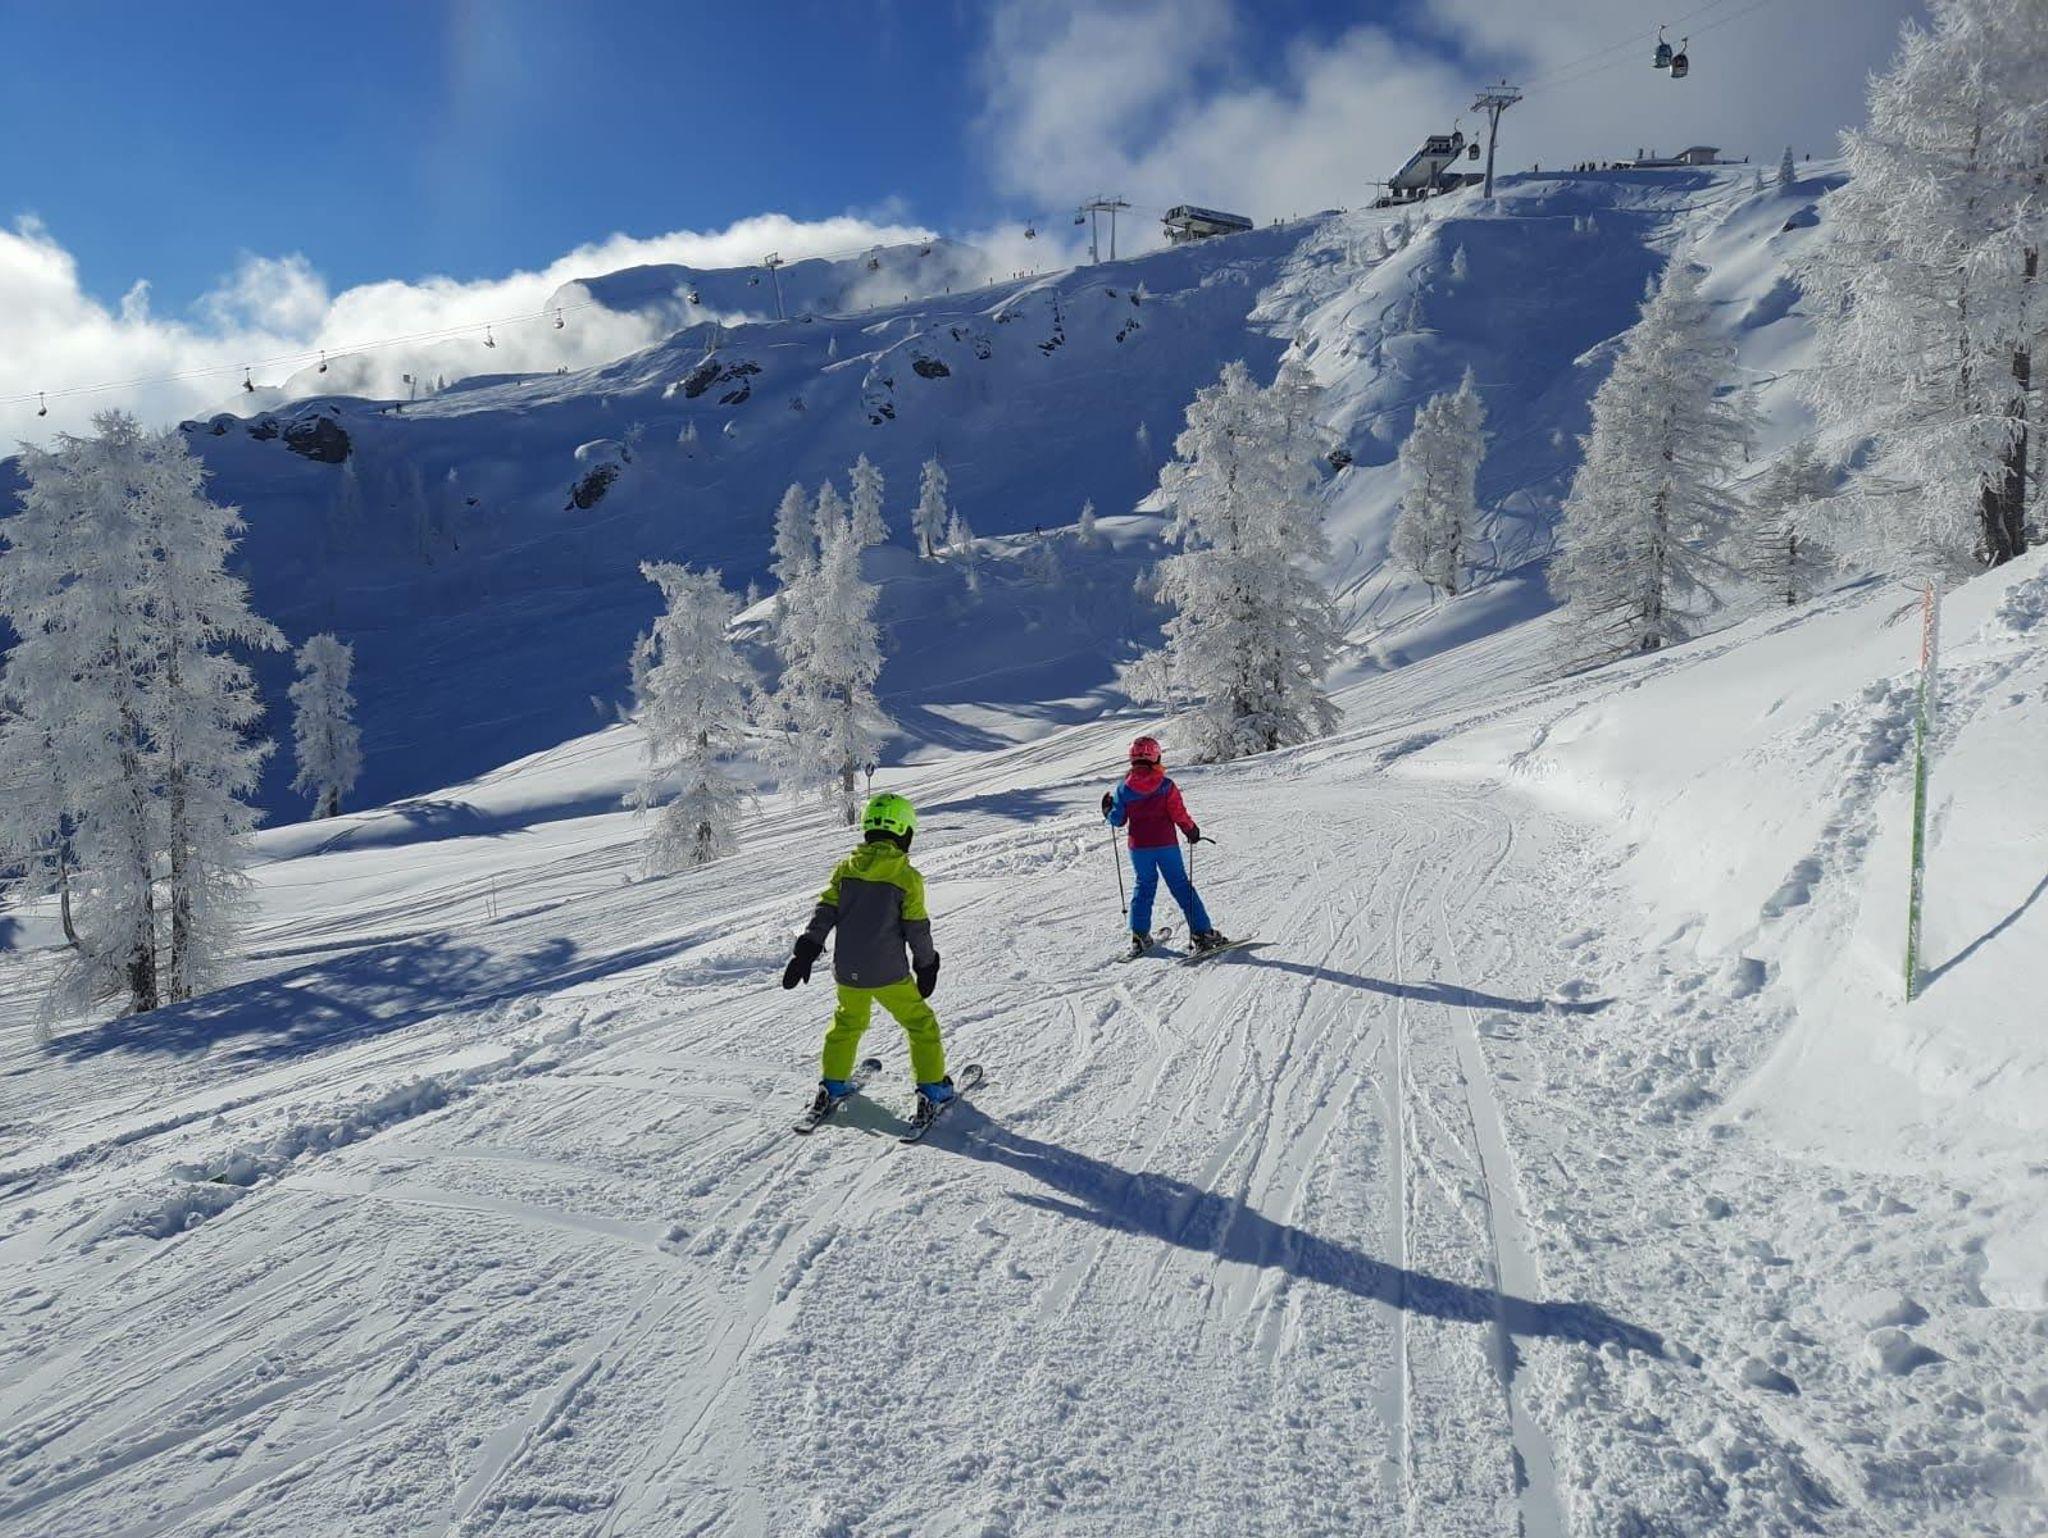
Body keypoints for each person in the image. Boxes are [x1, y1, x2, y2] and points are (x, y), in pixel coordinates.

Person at [782, 792, 952, 1124]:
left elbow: (824, 912)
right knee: (921, 1024)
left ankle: (832, 1084)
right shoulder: (906, 877)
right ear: (904, 833)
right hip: (889, 974)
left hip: (848, 971)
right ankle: (932, 1090)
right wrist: (926, 964)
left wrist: (806, 951)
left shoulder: (846, 870)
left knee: (847, 1023)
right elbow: (916, 929)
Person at [1101, 737, 1230, 959]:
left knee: (1144, 886)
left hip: (1139, 848)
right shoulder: (1165, 785)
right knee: (1181, 886)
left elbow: (1118, 820)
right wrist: (1191, 830)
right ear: (1155, 756)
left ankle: (1139, 937)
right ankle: (1203, 934)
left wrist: (1108, 812)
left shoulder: (1124, 788)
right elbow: (1178, 814)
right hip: (1165, 845)